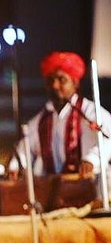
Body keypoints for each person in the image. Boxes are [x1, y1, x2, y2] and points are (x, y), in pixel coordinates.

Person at [8, 52, 111, 189]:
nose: (55, 85)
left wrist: (91, 160)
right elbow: (25, 148)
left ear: (75, 82)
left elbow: (108, 139)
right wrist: (15, 166)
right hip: (56, 192)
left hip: (94, 188)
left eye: (62, 80)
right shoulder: (41, 120)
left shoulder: (91, 112)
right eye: (50, 80)